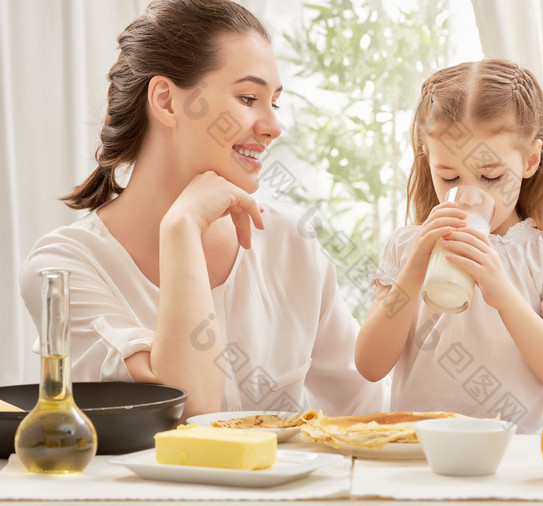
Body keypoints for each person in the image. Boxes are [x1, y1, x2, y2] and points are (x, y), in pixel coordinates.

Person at [19, 0, 387, 419]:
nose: (273, 127)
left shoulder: (290, 243)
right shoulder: (63, 268)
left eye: (274, 103)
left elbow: (370, 413)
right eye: (249, 97)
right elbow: (186, 411)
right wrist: (182, 227)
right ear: (167, 102)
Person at [354, 60, 543, 433]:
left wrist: (502, 292)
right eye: (449, 177)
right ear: (426, 159)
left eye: (491, 176)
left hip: (513, 457)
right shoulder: (406, 247)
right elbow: (369, 365)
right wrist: (414, 270)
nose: (470, 193)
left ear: (529, 161)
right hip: (420, 452)